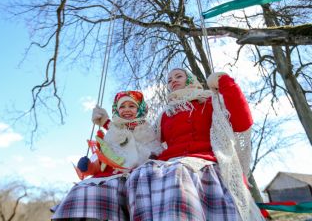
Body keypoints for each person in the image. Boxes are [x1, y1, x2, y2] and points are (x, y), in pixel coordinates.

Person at [125, 68, 265, 220]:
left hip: (203, 160)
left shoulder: (209, 101)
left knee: (179, 171)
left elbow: (242, 122)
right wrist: (109, 123)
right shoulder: (166, 115)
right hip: (170, 163)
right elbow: (144, 141)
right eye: (169, 80)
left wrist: (224, 80)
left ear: (191, 80)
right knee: (139, 174)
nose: (173, 81)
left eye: (178, 76)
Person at [52, 90, 163, 220]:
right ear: (116, 109)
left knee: (115, 188)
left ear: (140, 109)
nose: (126, 109)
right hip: (107, 176)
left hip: (133, 176)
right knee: (81, 188)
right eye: (122, 106)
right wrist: (88, 167)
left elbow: (155, 153)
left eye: (131, 106)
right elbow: (102, 162)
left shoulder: (145, 130)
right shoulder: (111, 134)